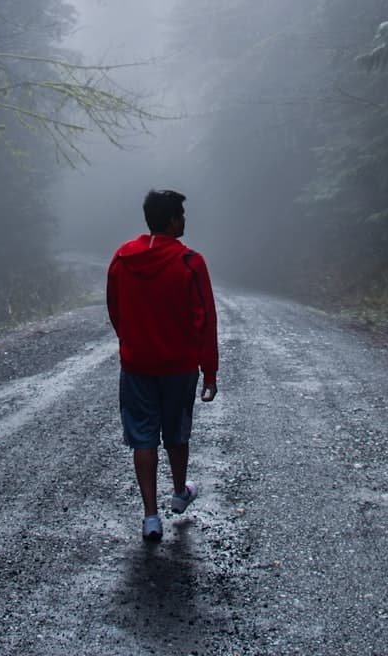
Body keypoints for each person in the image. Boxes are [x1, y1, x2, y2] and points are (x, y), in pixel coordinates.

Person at [107, 189, 219, 543]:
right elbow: (205, 319)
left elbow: (115, 309)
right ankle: (179, 493)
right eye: (181, 215)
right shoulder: (190, 262)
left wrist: (130, 340)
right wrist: (210, 371)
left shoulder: (123, 258)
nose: (184, 220)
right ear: (172, 220)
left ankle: (150, 516)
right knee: (176, 431)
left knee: (142, 435)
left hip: (137, 363)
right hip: (179, 365)